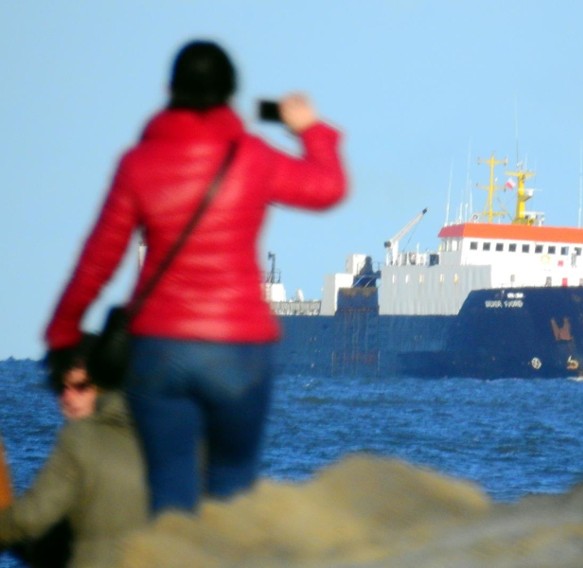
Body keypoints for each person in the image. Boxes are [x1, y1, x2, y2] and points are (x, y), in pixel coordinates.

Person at [43, 39, 348, 516]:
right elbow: (328, 188)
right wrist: (310, 129)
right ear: (230, 94)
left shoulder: (139, 164)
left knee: (169, 490)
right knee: (232, 491)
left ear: (169, 89)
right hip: (238, 348)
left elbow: (96, 263)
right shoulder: (253, 156)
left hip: (160, 349)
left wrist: (62, 336)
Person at [0, 338, 148, 568]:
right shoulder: (158, 435)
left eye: (81, 387)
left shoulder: (81, 442)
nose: (67, 399)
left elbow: (29, 523)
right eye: (62, 388)